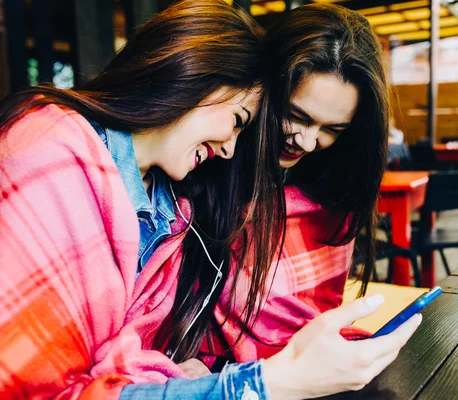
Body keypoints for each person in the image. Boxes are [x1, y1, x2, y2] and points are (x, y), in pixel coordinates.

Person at [0, 1, 420, 399]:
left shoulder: (167, 208)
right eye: (242, 120)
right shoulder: (59, 155)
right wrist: (254, 381)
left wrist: (188, 373)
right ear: (194, 77)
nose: (308, 141)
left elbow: (129, 353)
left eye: (334, 129)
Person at [198, 2, 422, 374]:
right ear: (264, 88)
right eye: (295, 115)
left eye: (333, 129)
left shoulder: (333, 196)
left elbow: (321, 314)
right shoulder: (207, 167)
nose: (306, 140)